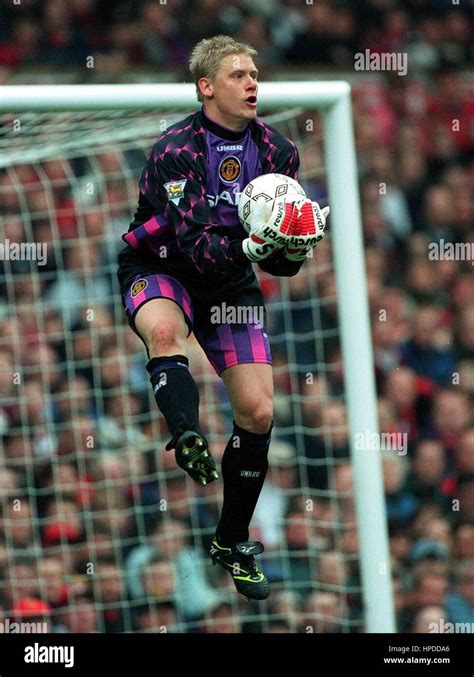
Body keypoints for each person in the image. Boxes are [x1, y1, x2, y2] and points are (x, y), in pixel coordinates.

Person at [117, 35, 329, 600]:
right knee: (164, 333)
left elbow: (284, 268)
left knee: (259, 411)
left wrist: (290, 246)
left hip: (229, 284)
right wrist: (256, 249)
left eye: (255, 73)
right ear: (206, 87)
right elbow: (191, 247)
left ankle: (232, 540)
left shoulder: (280, 153)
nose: (252, 82)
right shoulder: (175, 151)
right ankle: (186, 433)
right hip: (163, 266)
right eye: (238, 75)